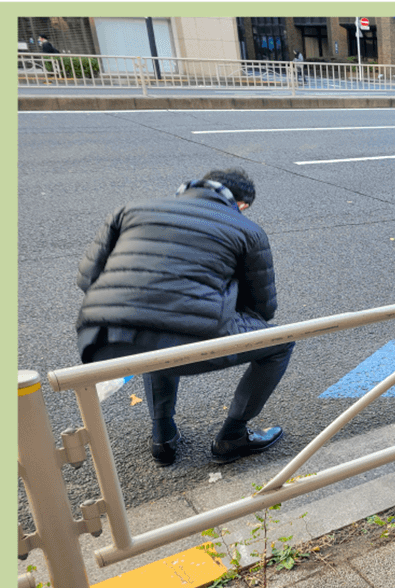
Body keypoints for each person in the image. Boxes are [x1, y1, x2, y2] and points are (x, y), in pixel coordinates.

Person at [75, 168, 291, 466]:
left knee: (156, 327)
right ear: (241, 204)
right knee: (281, 342)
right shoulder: (247, 230)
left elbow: (87, 279)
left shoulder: (129, 210)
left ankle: (162, 434)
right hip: (188, 345)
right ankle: (233, 435)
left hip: (99, 339)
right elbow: (263, 309)